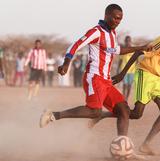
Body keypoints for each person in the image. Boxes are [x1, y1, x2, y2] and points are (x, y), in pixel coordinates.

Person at [39, 4, 150, 139]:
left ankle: (122, 145)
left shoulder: (112, 33)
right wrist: (66, 63)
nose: (117, 22)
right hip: (94, 78)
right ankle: (53, 115)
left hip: (106, 81)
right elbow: (76, 45)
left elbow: (117, 50)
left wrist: (142, 47)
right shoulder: (96, 32)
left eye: (120, 19)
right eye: (115, 18)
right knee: (94, 111)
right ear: (106, 15)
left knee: (124, 110)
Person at [89, 17, 160, 155]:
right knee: (136, 114)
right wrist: (122, 73)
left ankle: (146, 145)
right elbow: (138, 52)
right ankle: (102, 115)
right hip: (145, 73)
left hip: (157, 78)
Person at [118, 36, 136, 100]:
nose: (128, 42)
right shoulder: (123, 49)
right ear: (125, 41)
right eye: (127, 41)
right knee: (125, 84)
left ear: (130, 41)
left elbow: (136, 60)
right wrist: (118, 69)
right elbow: (120, 61)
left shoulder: (133, 49)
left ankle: (127, 98)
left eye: (129, 41)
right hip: (124, 70)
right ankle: (124, 97)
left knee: (129, 85)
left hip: (132, 71)